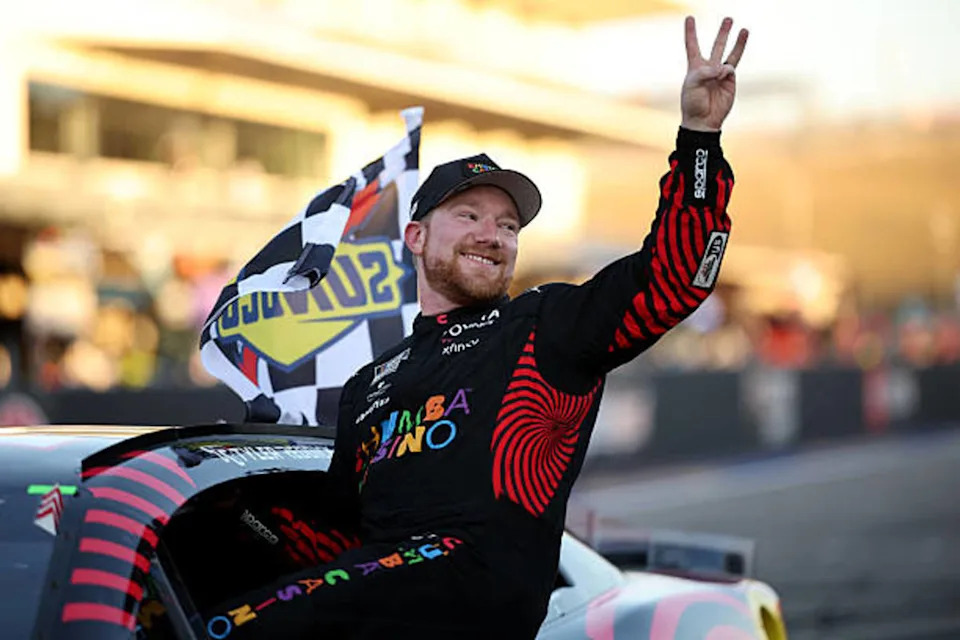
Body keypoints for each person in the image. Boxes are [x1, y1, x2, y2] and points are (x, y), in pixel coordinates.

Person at [202, 15, 749, 640]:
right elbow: (334, 538)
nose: (493, 235)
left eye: (509, 226)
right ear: (416, 236)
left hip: (477, 590)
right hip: (377, 593)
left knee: (234, 630)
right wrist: (241, 514)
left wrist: (700, 137)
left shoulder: (543, 327)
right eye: (469, 215)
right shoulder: (369, 381)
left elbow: (676, 276)